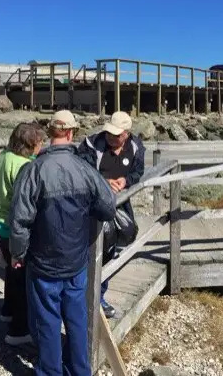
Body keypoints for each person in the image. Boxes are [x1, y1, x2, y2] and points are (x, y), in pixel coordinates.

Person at [8, 110, 116, 375]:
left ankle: (51, 371)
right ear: (71, 133)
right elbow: (108, 209)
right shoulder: (85, 169)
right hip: (76, 261)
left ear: (50, 132)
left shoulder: (33, 170)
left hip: (43, 264)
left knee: (47, 322)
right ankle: (80, 370)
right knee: (77, 321)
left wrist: (17, 254)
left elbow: (19, 220)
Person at [0, 122, 46, 346]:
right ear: (30, 143)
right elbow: (24, 203)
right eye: (39, 141)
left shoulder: (2, 156)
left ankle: (7, 310)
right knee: (22, 276)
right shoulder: (24, 166)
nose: (42, 145)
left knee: (10, 269)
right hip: (12, 226)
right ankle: (18, 330)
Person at [77, 111, 145, 319]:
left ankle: (99, 294)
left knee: (113, 249)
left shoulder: (136, 147)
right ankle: (88, 296)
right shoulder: (90, 145)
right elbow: (81, 170)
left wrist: (126, 181)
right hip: (91, 205)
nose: (111, 137)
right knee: (91, 248)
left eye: (116, 135)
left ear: (126, 134)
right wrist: (104, 182)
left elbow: (137, 172)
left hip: (119, 204)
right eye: (109, 133)